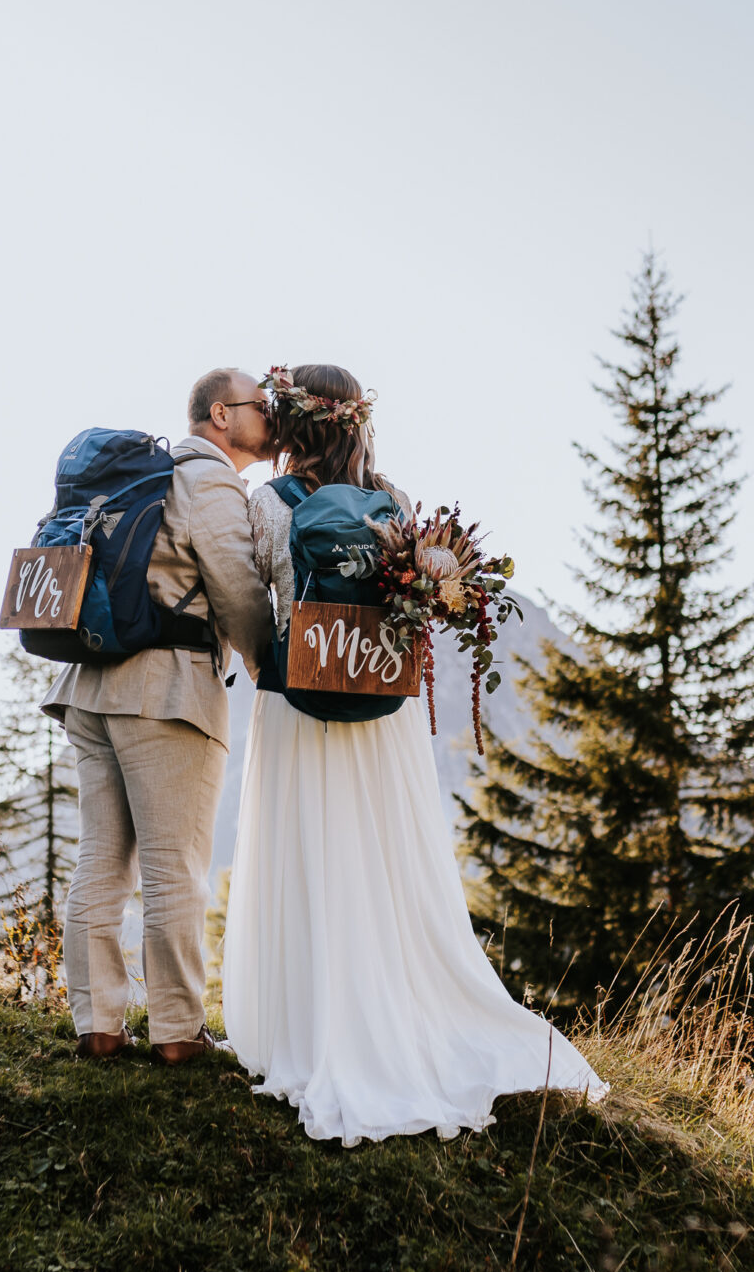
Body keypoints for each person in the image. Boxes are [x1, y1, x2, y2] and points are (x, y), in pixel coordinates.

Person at [223, 362, 606, 1144]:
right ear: (357, 421)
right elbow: (427, 605)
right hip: (383, 706)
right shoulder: (394, 501)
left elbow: (256, 593)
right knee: (383, 863)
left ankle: (310, 1025)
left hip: (297, 698)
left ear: (294, 424)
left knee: (310, 855)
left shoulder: (267, 502)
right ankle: (399, 1011)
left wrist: (271, 663)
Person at [43, 368, 276, 1062]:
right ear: (220, 414)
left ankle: (98, 1024)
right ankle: (177, 1031)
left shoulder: (146, 475)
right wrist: (270, 668)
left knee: (101, 861)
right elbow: (236, 590)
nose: (271, 415)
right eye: (260, 405)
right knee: (175, 868)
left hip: (91, 686)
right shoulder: (208, 480)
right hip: (165, 693)